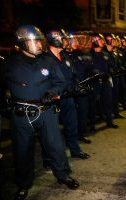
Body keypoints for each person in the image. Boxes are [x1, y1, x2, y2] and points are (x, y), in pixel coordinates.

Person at [0, 25, 79, 200]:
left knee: (56, 146)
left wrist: (53, 93)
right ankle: (23, 183)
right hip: (21, 114)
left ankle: (63, 175)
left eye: (39, 41)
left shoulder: (47, 61)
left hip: (46, 111)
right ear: (22, 43)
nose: (38, 45)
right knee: (22, 150)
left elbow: (60, 82)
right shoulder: (9, 63)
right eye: (33, 41)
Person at [45, 29, 91, 158]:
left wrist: (78, 87)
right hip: (53, 99)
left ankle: (75, 150)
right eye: (63, 39)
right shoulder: (45, 59)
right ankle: (48, 157)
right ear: (54, 40)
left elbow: (73, 76)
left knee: (71, 125)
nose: (66, 42)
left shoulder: (66, 57)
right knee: (50, 130)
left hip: (67, 97)